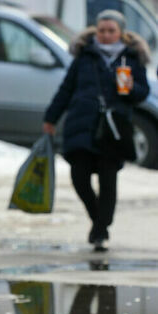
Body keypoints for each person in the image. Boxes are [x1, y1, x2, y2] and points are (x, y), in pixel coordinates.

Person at [43, 9, 149, 252]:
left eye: (111, 31)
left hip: (113, 128)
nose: (106, 35)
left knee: (108, 181)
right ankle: (98, 219)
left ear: (121, 33)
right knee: (79, 178)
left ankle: (100, 230)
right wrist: (51, 117)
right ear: (95, 31)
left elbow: (142, 94)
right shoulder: (84, 57)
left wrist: (131, 87)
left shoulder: (131, 58)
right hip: (82, 124)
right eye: (102, 30)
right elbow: (66, 89)